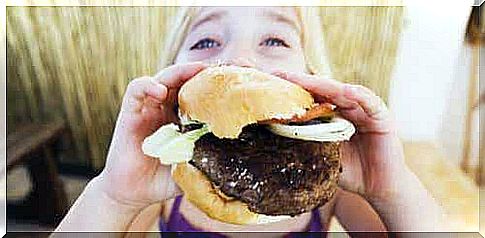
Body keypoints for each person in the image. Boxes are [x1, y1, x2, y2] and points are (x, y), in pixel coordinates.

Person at [54, 7, 445, 235]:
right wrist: (112, 197)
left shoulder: (334, 187)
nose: (240, 60)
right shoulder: (159, 186)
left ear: (311, 73)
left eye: (274, 41)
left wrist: (395, 192)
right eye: (206, 42)